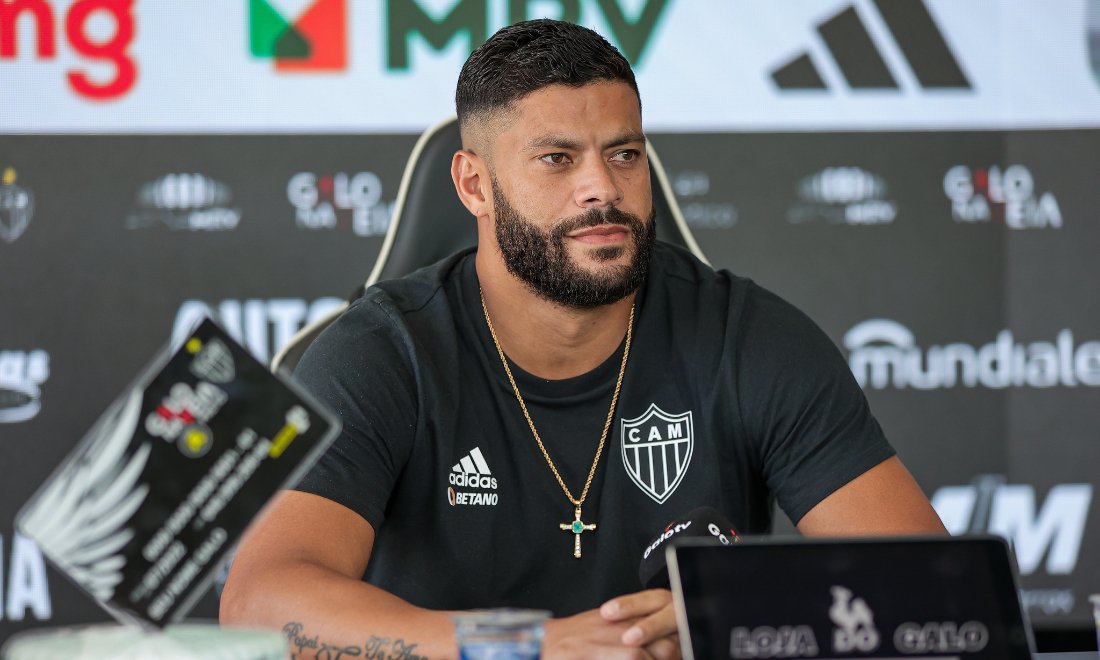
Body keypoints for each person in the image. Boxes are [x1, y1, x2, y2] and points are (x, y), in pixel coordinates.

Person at [221, 18, 945, 660]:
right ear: (474, 186)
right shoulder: (383, 351)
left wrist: (729, 618)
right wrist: (528, 648)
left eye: (625, 154)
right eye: (557, 158)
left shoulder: (749, 337)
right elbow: (261, 605)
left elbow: (933, 589)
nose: (601, 187)